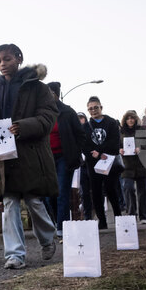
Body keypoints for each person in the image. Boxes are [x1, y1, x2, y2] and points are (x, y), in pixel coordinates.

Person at [0, 44, 58, 269]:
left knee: (34, 200)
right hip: (3, 155)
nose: (3, 64)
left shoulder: (37, 88)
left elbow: (48, 116)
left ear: (19, 59)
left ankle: (47, 238)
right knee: (9, 203)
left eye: (7, 59)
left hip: (30, 153)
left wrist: (23, 126)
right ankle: (14, 255)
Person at [43, 82, 86, 236]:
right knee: (49, 196)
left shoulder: (67, 112)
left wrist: (76, 152)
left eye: (50, 93)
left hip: (64, 158)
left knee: (62, 192)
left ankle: (62, 227)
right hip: (47, 158)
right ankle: (55, 222)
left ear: (56, 94)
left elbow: (81, 135)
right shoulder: (42, 113)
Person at [82, 96, 122, 229]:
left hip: (109, 161)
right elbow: (84, 145)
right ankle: (102, 220)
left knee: (111, 189)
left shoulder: (111, 123)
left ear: (101, 107)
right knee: (96, 192)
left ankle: (118, 217)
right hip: (92, 164)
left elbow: (114, 143)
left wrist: (100, 152)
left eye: (95, 108)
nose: (93, 111)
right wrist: (94, 154)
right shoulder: (86, 126)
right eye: (90, 109)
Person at [120, 110, 146, 224]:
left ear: (135, 119)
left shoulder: (142, 131)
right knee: (128, 188)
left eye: (132, 118)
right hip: (127, 166)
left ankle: (144, 217)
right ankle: (131, 215)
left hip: (142, 165)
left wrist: (141, 149)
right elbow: (116, 145)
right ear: (125, 120)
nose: (130, 120)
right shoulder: (121, 132)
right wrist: (119, 150)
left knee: (143, 191)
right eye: (128, 118)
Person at [76, 111, 92, 220]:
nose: (80, 120)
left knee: (95, 191)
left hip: (91, 164)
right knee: (84, 193)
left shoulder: (90, 131)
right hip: (80, 166)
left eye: (82, 118)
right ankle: (87, 215)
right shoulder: (74, 131)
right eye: (78, 118)